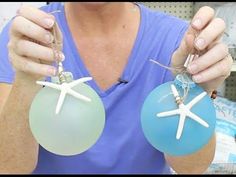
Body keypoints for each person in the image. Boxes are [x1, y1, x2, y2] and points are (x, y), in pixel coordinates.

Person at [0, 2, 233, 174]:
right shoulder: (27, 37)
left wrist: (196, 90)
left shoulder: (179, 40)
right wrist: (27, 80)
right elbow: (9, 166)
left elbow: (192, 167)